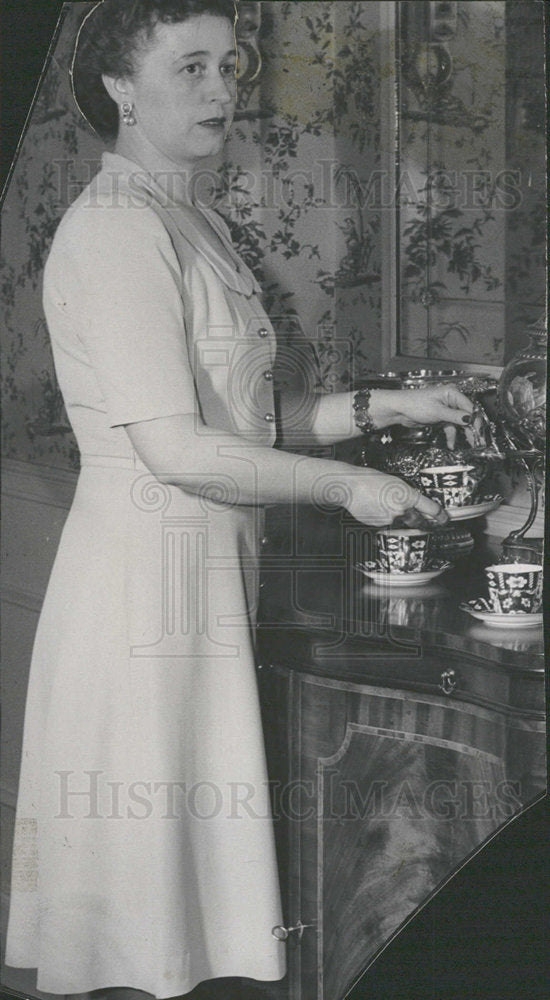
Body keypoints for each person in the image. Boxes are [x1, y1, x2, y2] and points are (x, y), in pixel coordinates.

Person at [4, 2, 474, 999]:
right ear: (120, 91)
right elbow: (177, 448)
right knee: (138, 928)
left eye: (232, 65)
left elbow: (244, 418)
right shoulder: (116, 231)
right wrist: (351, 485)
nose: (224, 88)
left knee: (185, 925)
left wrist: (381, 407)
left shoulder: (194, 219)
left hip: (204, 583)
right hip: (141, 596)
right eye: (192, 68)